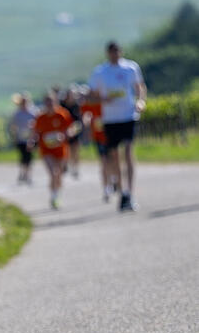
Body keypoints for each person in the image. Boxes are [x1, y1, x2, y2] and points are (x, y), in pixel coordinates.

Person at [87, 41, 147, 211]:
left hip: (128, 116)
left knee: (128, 152)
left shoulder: (130, 68)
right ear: (108, 53)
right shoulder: (100, 72)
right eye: (112, 52)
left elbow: (140, 86)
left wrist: (141, 101)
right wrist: (103, 100)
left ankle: (130, 193)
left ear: (121, 52)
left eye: (117, 51)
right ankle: (122, 192)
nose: (115, 54)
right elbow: (91, 95)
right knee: (114, 157)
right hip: (110, 120)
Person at [33, 92, 75, 209]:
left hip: (61, 149)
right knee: (53, 173)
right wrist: (32, 141)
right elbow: (36, 132)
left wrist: (64, 135)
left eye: (51, 102)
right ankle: (53, 196)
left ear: (55, 102)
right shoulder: (41, 117)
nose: (49, 104)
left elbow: (71, 129)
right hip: (46, 150)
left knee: (59, 174)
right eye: (47, 102)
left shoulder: (62, 114)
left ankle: (57, 193)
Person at [80, 88, 114, 202]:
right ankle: (106, 188)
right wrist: (86, 122)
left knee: (112, 160)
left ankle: (113, 178)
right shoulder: (86, 105)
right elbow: (86, 116)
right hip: (99, 138)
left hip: (110, 135)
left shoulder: (104, 102)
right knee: (104, 162)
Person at [8, 93, 36, 185]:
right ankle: (22, 173)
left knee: (29, 158)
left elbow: (36, 126)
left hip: (30, 138)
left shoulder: (33, 112)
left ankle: (28, 175)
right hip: (20, 138)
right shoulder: (17, 113)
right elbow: (13, 126)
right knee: (22, 158)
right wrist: (14, 136)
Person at [59, 86, 83, 179]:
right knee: (65, 150)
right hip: (64, 132)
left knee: (75, 150)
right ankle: (65, 166)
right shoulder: (62, 106)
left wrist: (73, 131)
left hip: (75, 131)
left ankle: (75, 168)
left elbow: (79, 121)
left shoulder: (77, 106)